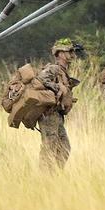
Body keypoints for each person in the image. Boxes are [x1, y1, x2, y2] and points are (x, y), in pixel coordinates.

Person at [35, 38, 80, 170]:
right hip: (49, 116)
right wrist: (57, 86)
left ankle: (54, 174)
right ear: (60, 54)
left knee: (64, 147)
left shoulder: (62, 71)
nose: (72, 54)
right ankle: (45, 177)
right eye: (69, 51)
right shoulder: (53, 68)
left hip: (57, 116)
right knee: (49, 147)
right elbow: (39, 80)